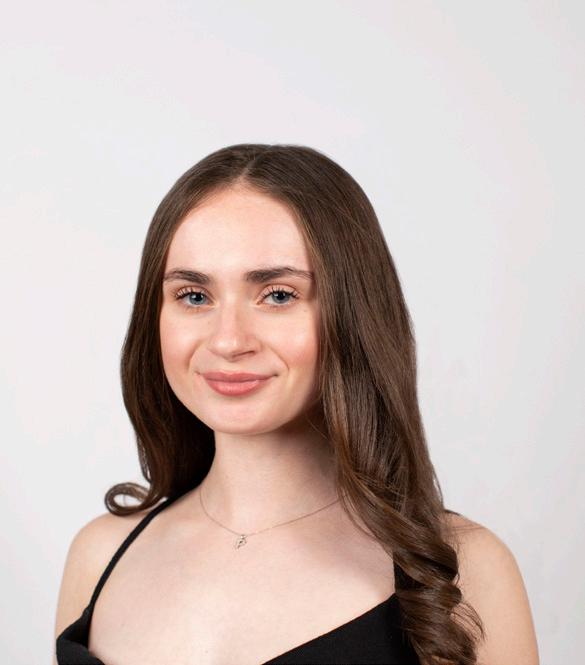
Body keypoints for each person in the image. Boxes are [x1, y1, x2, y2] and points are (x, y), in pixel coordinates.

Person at [53, 144, 539, 665]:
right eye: (194, 296)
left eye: (278, 295)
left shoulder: (466, 571)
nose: (228, 340)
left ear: (353, 314)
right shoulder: (98, 557)